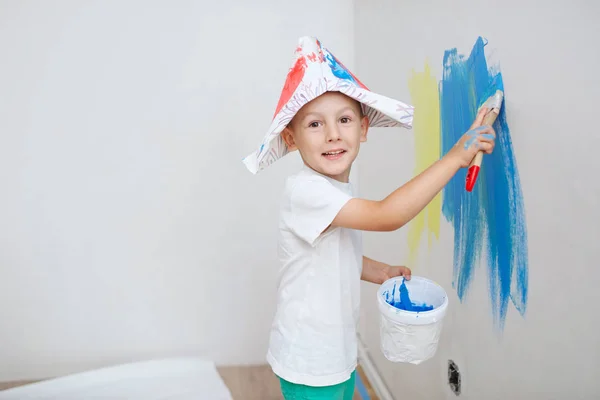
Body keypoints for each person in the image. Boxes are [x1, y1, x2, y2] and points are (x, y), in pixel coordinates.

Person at [242, 36, 495, 400]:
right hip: (310, 362)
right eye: (315, 124)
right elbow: (387, 215)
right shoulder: (306, 192)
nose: (332, 134)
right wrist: (455, 158)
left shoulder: (330, 191)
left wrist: (377, 271)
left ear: (363, 129)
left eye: (344, 120)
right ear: (292, 138)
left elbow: (330, 254)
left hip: (334, 354)